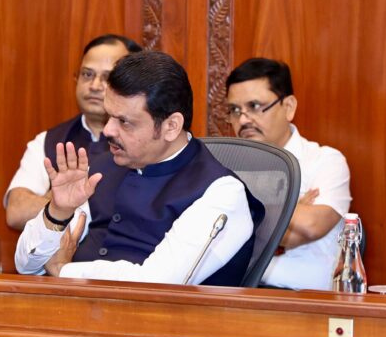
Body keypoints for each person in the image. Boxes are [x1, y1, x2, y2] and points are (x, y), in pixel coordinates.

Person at [14, 51, 265, 286]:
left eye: (124, 122)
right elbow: (27, 266)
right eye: (109, 116)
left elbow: (155, 283)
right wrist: (57, 213)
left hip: (164, 318)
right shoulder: (102, 167)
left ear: (171, 126)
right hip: (75, 310)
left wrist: (64, 270)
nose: (108, 130)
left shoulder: (221, 193)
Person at [225, 58, 351, 290]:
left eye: (255, 106)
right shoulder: (224, 165)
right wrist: (291, 209)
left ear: (289, 107)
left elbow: (311, 225)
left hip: (305, 298)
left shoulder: (325, 161)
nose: (243, 119)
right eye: (234, 110)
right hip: (239, 293)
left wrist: (246, 209)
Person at [4, 34, 142, 230]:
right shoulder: (49, 141)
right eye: (87, 74)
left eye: (108, 77)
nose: (94, 86)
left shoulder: (146, 142)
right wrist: (72, 200)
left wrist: (57, 203)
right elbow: (17, 212)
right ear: (75, 78)